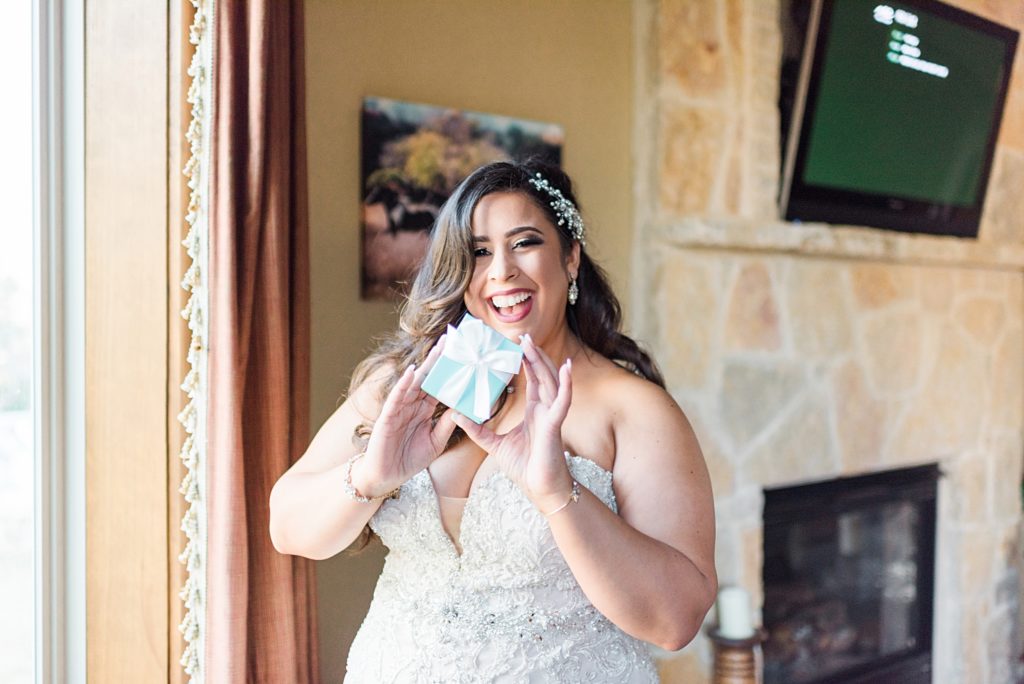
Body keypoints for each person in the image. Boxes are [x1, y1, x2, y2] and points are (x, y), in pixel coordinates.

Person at [270, 159, 717, 682]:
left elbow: (675, 621)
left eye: (524, 243)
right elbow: (287, 529)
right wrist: (370, 476)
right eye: (479, 252)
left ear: (570, 257)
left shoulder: (635, 410)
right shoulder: (407, 384)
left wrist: (557, 494)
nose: (501, 270)